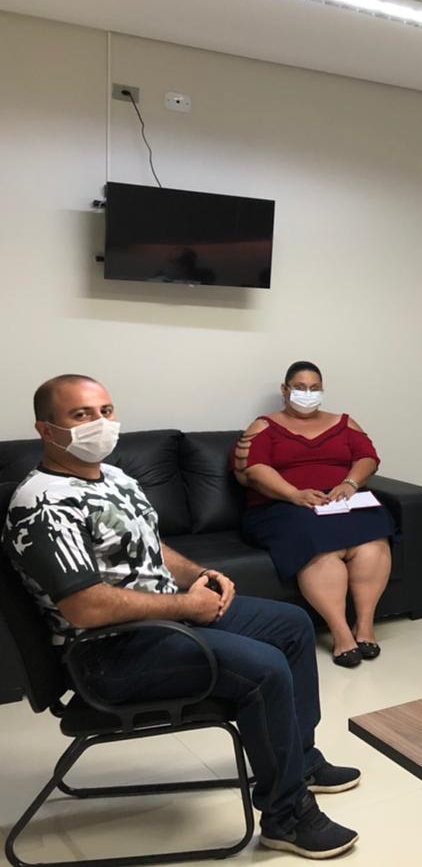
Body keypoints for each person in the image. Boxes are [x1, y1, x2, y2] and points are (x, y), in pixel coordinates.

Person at [1, 375, 360, 859]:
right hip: (109, 653)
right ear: (47, 430)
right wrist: (184, 606)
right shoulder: (41, 502)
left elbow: (150, 548)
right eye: (80, 415)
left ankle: (300, 761)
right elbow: (85, 606)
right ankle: (287, 817)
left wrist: (199, 575)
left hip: (163, 624)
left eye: (105, 411)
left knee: (291, 626)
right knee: (264, 668)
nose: (100, 424)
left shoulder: (112, 476)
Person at [235, 361, 395, 668]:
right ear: (285, 391)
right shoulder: (264, 426)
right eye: (299, 387)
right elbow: (253, 470)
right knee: (318, 540)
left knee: (375, 534)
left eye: (314, 388)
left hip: (340, 499)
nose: (307, 394)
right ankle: (341, 635)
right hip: (284, 505)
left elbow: (368, 457)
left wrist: (349, 484)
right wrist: (294, 494)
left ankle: (364, 627)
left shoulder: (344, 423)